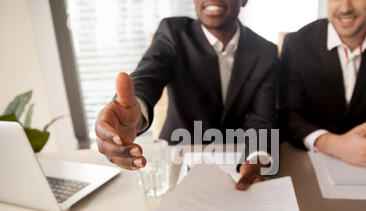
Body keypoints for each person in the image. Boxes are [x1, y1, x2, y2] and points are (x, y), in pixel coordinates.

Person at [95, 0, 279, 190]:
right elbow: (149, 75)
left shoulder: (265, 52)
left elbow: (262, 120)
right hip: (178, 158)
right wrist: (133, 112)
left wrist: (256, 160)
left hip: (236, 157)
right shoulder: (173, 33)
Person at [279, 0, 366, 168]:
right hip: (306, 157)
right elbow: (287, 115)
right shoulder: (297, 43)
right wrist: (332, 144)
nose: (345, 8)